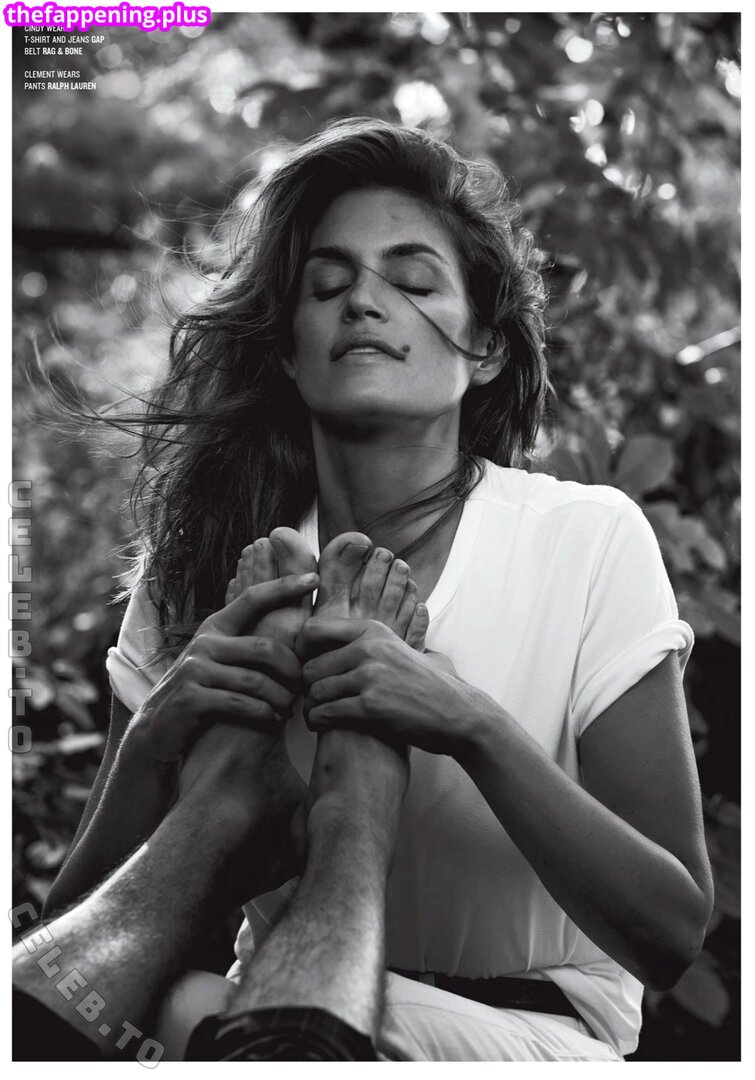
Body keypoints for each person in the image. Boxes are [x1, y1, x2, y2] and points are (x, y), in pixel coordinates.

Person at [45, 118, 714, 1061]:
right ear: (289, 351)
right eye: (327, 286)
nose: (363, 300)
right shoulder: (200, 565)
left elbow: (670, 933)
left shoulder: (584, 537)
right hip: (255, 1018)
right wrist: (162, 734)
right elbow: (72, 960)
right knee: (169, 1012)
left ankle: (353, 799)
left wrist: (466, 722)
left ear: (485, 347)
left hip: (528, 1038)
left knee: (194, 1015)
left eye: (412, 282)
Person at [14, 581, 409, 1061]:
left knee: (183, 1007)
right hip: (269, 1006)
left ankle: (333, 810)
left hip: (487, 1023)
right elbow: (65, 925)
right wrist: (145, 744)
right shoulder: (185, 564)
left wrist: (476, 724)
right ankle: (302, 811)